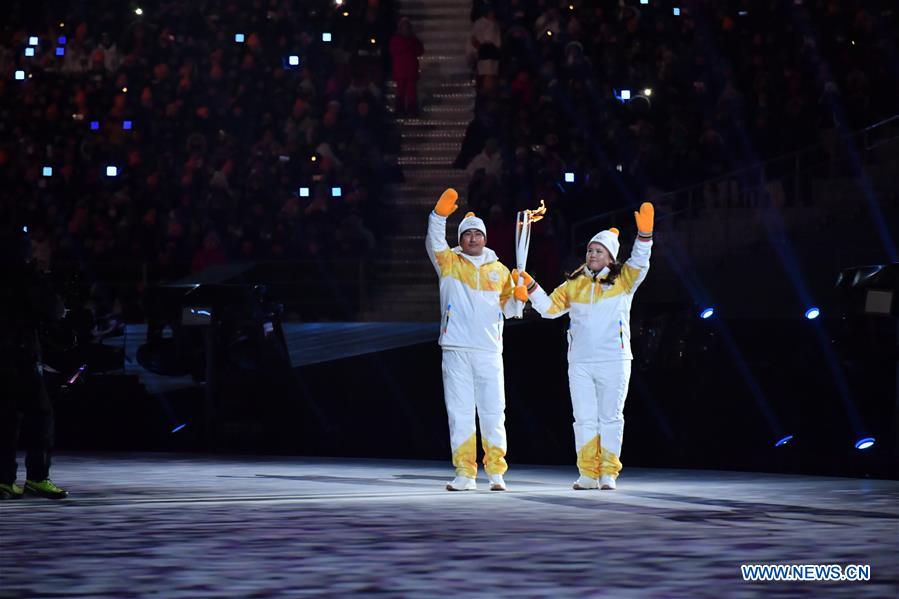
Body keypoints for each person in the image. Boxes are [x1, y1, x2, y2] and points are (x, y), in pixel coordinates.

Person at [517, 203, 654, 490]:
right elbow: (550, 309)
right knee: (584, 420)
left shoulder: (624, 280)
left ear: (610, 257)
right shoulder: (574, 284)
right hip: (580, 362)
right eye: (591, 250)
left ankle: (608, 473)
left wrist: (644, 236)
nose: (592, 254)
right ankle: (588, 473)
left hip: (614, 360)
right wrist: (531, 287)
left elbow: (640, 263)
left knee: (611, 418)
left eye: (599, 251)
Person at [425, 188, 528, 491]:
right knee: (460, 412)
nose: (473, 238)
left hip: (488, 350)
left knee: (493, 411)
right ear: (460, 239)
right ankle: (465, 474)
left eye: (477, 234)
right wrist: (438, 216)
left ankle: (496, 472)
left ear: (485, 238)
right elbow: (434, 241)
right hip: (456, 348)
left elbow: (510, 310)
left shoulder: (500, 271)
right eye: (467, 234)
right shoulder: (448, 264)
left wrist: (519, 297)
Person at [0, 225, 69, 500]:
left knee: (5, 418)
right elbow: (54, 309)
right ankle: (38, 478)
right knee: (41, 415)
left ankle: (3, 480)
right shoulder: (25, 275)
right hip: (20, 353)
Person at [388, 17, 424, 117]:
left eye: (407, 27)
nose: (405, 30)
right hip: (401, 70)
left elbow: (420, 51)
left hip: (410, 70)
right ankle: (400, 109)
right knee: (400, 91)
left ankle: (411, 109)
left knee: (411, 91)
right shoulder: (396, 40)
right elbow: (394, 50)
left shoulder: (413, 40)